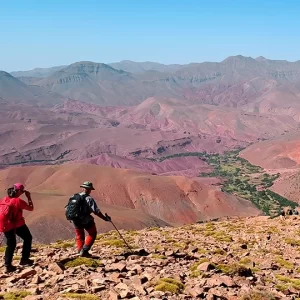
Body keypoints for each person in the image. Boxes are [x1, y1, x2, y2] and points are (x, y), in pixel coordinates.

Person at [70, 181, 111, 257]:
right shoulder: (89, 199)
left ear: (82, 188)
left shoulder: (74, 196)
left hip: (75, 220)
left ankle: (80, 251)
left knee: (79, 235)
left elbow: (69, 208)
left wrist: (71, 218)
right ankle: (84, 251)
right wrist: (105, 218)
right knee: (92, 233)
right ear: (89, 189)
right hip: (86, 220)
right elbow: (96, 211)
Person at [1, 183, 34, 273]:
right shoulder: (18, 201)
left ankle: (8, 265)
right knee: (28, 238)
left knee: (10, 245)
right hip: (17, 224)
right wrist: (29, 197)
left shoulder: (4, 199)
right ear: (18, 191)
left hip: (5, 225)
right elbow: (31, 208)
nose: (22, 193)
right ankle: (24, 260)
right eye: (22, 191)